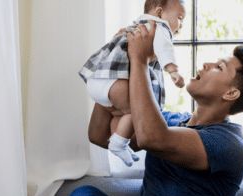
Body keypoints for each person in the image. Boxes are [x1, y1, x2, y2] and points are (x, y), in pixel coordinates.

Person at [64, 20, 243, 196]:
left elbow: (153, 138)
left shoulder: (233, 143)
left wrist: (139, 61)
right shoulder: (166, 120)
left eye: (219, 67)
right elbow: (101, 135)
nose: (206, 64)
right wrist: (117, 61)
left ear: (231, 93)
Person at [79, 0, 186, 167]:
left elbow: (96, 136)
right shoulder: (160, 27)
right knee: (134, 111)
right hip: (115, 85)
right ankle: (119, 143)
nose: (181, 25)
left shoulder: (134, 27)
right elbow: (166, 51)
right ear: (159, 13)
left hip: (98, 81)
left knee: (121, 118)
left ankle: (120, 139)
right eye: (180, 18)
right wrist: (173, 71)